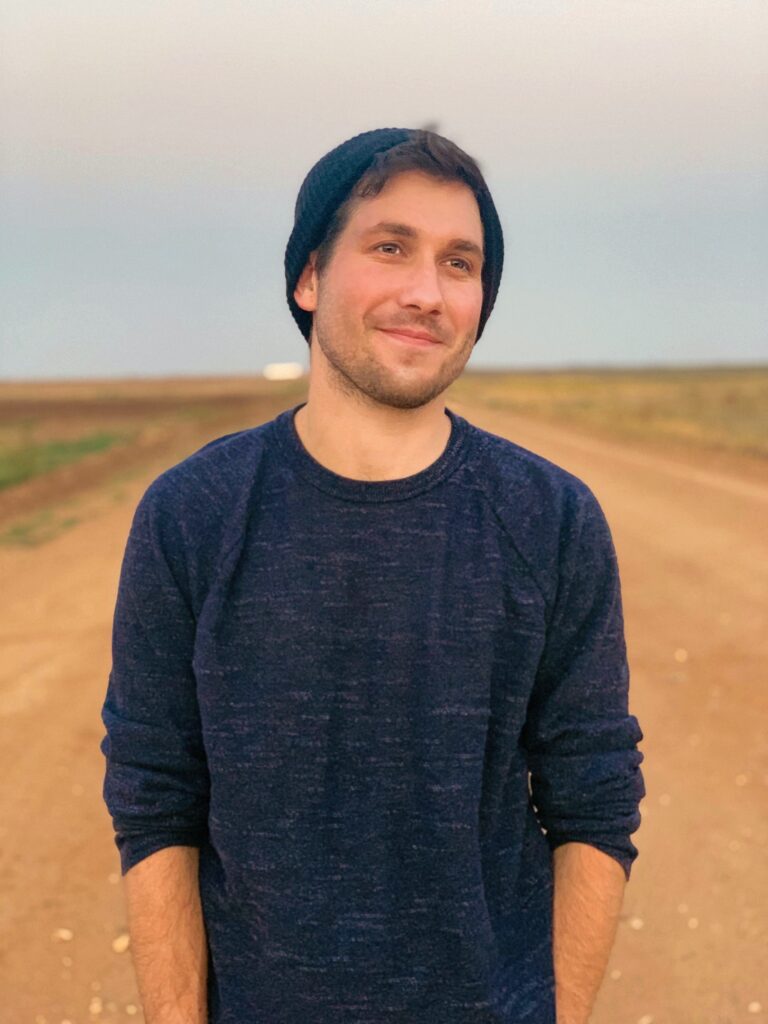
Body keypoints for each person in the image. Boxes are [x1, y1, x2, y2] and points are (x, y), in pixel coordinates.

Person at [100, 127, 644, 1024]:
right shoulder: (191, 514)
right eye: (390, 247)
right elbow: (156, 800)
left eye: (461, 263)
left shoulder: (551, 520)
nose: (426, 292)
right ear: (310, 277)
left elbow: (594, 799)